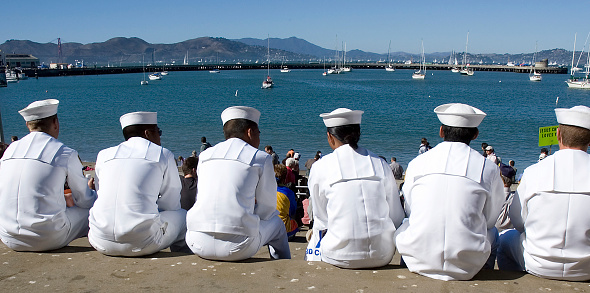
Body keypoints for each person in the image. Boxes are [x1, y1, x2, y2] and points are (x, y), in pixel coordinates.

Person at [394, 103, 504, 281]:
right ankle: (486, 274)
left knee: (407, 224)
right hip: (467, 264)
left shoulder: (417, 163)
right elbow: (491, 219)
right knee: (495, 234)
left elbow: (410, 209)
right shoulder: (488, 168)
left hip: (418, 257)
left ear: (441, 131)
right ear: (475, 134)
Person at [497, 105, 590, 281]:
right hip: (586, 267)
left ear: (558, 135)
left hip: (539, 262)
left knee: (503, 238)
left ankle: (515, 282)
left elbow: (516, 220)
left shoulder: (534, 171)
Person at [186, 106, 291, 261]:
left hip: (197, 242)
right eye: (258, 133)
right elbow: (267, 209)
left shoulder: (205, 155)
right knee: (277, 222)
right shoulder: (260, 157)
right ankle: (283, 265)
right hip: (238, 247)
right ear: (249, 132)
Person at [305, 108, 405, 269]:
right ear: (357, 133)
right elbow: (396, 216)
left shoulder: (321, 167)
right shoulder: (379, 163)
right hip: (382, 254)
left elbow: (322, 218)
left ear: (330, 137)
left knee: (314, 242)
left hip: (339, 255)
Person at [0, 99, 97, 251]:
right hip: (48, 238)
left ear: (28, 125)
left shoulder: (9, 151)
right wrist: (94, 193)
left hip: (9, 237)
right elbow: (84, 201)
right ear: (55, 123)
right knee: (92, 211)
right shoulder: (64, 153)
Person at [88, 112, 187, 256]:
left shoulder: (104, 155)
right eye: (158, 132)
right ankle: (181, 256)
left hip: (100, 240)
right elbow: (171, 205)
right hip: (142, 244)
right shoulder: (162, 154)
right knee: (183, 216)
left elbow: (99, 191)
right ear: (147, 133)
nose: (160, 136)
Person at [274, 164, 299, 239]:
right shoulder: (288, 192)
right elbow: (293, 211)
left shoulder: (265, 191)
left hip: (267, 228)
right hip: (284, 229)